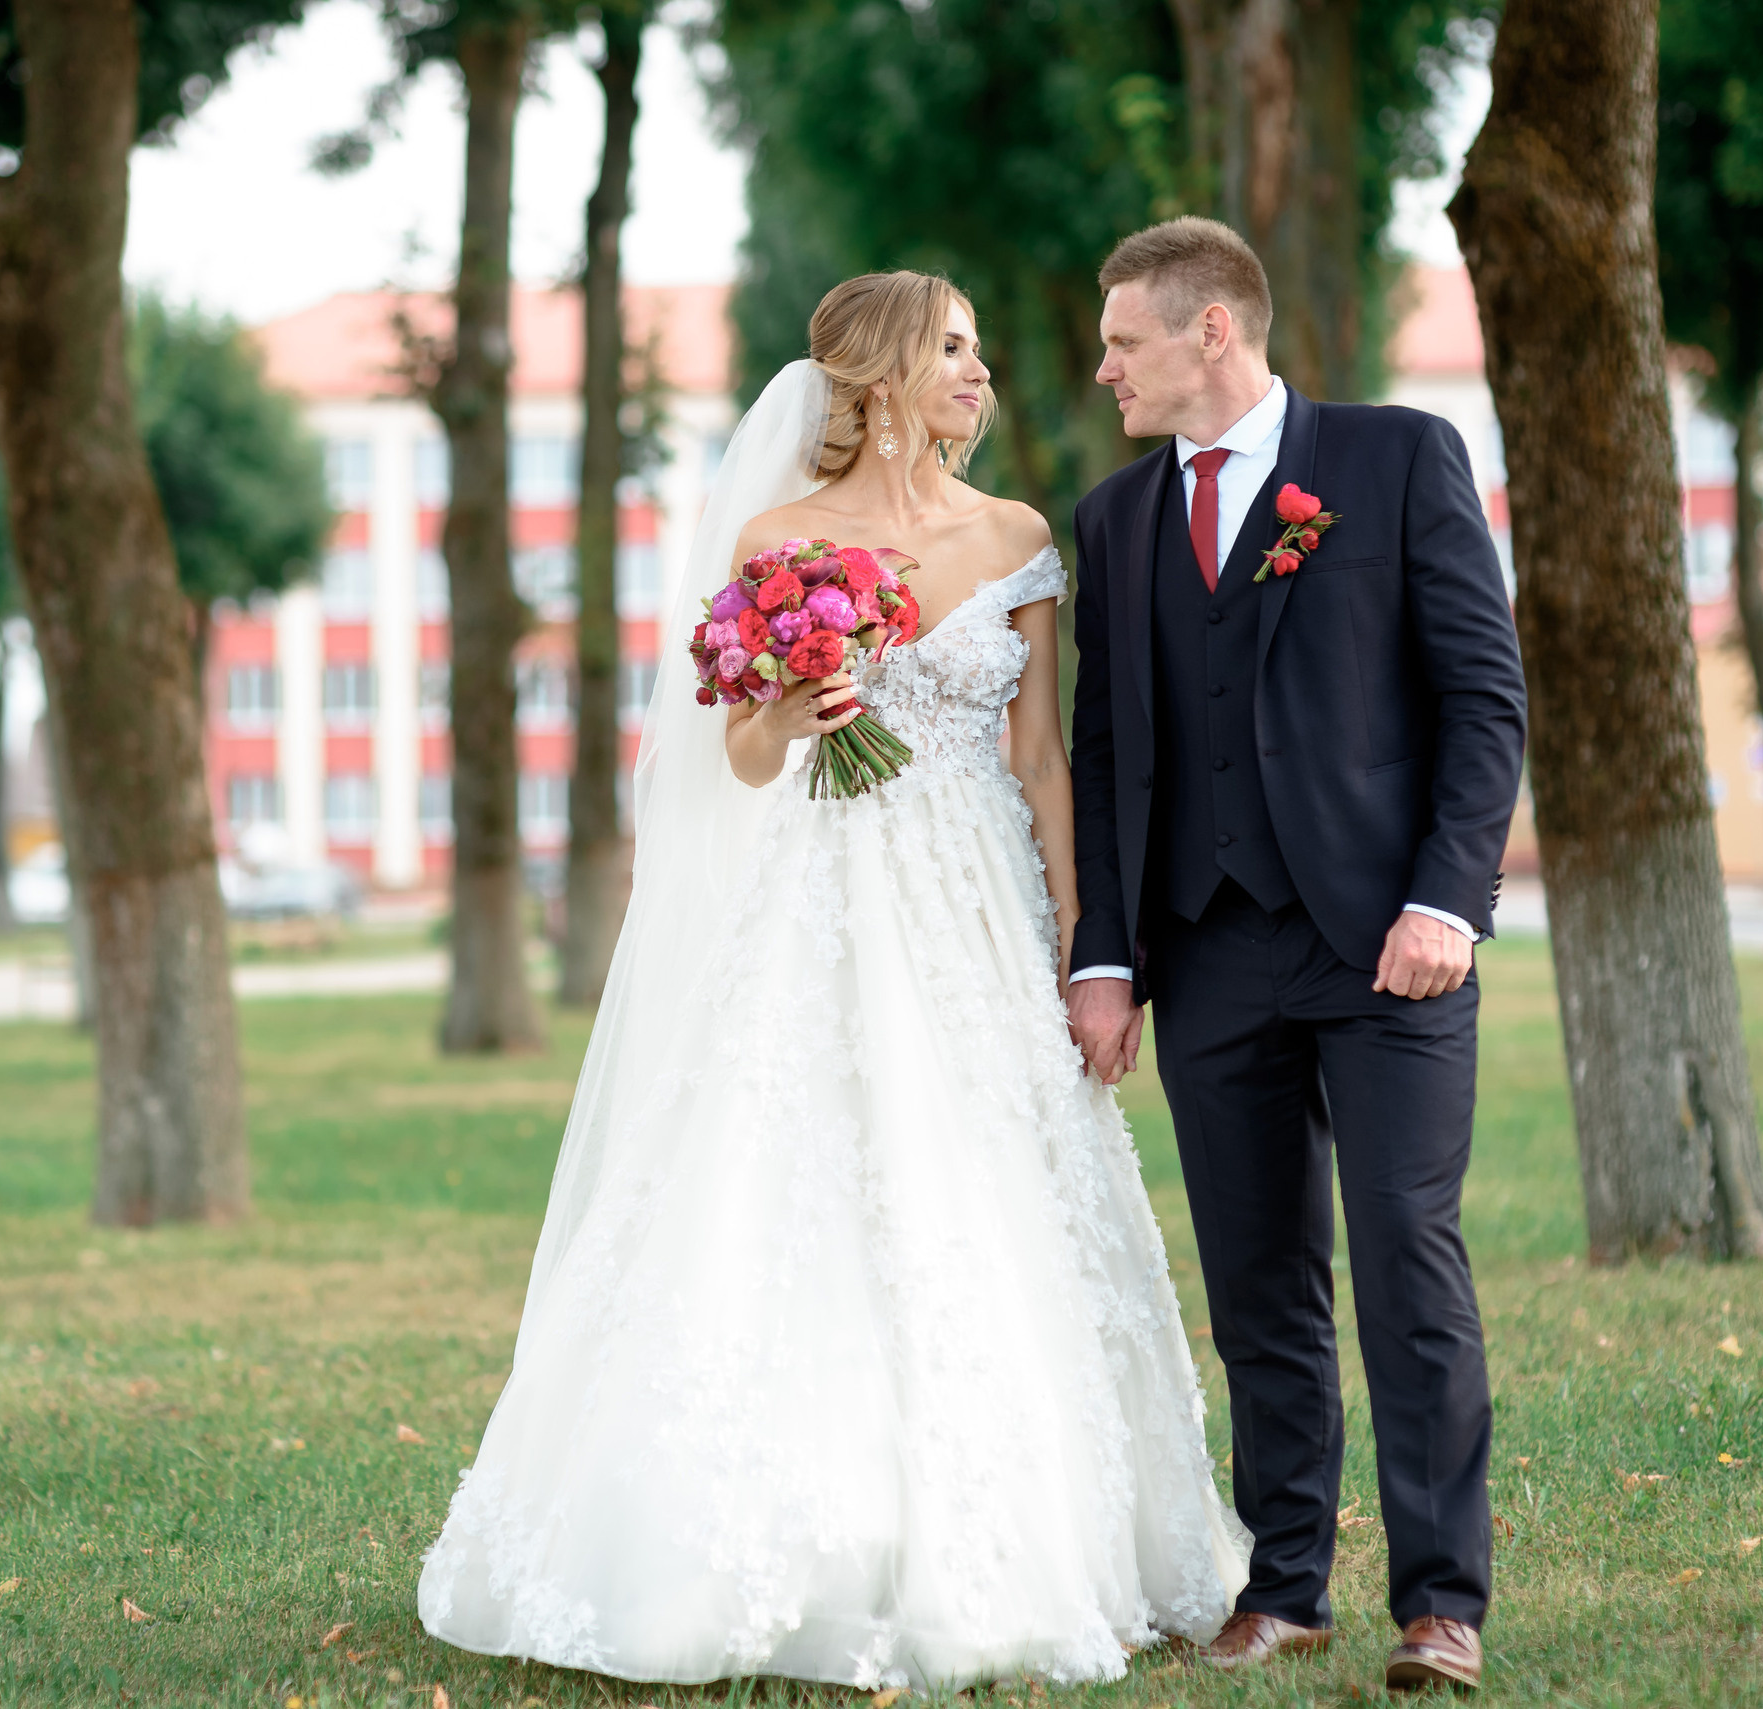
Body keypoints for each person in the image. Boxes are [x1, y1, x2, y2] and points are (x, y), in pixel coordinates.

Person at [417, 271, 1248, 1689]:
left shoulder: (1020, 539)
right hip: (819, 897)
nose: (983, 375)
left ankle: (1036, 1524)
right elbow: (737, 754)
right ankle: (789, 1542)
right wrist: (796, 707)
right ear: (879, 380)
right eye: (958, 350)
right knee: (788, 1183)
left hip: (978, 905)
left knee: (993, 1190)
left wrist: (1077, 937)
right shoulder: (779, 538)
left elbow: (1043, 757)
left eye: (984, 349)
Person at [1064, 217, 1526, 1694]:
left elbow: (1483, 697)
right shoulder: (1117, 516)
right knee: (1260, 1282)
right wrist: (1107, 955)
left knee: (1406, 1260)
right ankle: (1286, 1585)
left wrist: (1447, 900)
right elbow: (1105, 750)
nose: (1104, 364)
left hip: (1389, 946)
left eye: (1125, 338)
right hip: (1206, 956)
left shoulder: (1394, 459)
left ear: (1214, 332)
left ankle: (1441, 1602)